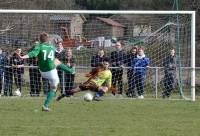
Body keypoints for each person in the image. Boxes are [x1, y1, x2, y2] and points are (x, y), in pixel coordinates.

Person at [18, 32, 75, 111]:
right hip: (51, 71)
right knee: (54, 88)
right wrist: (58, 44)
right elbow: (59, 52)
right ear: (47, 39)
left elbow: (32, 54)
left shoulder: (39, 46)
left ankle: (46, 104)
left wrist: (22, 56)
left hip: (42, 71)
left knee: (56, 61)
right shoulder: (51, 47)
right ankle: (45, 105)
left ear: (40, 40)